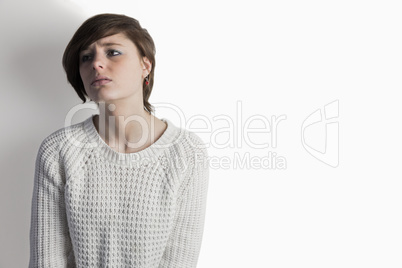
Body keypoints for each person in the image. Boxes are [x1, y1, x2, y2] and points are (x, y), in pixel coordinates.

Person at [29, 13, 209, 268]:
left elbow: (180, 258)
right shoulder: (59, 151)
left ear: (145, 65)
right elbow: (47, 259)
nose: (96, 64)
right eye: (86, 57)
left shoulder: (187, 153)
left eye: (112, 52)